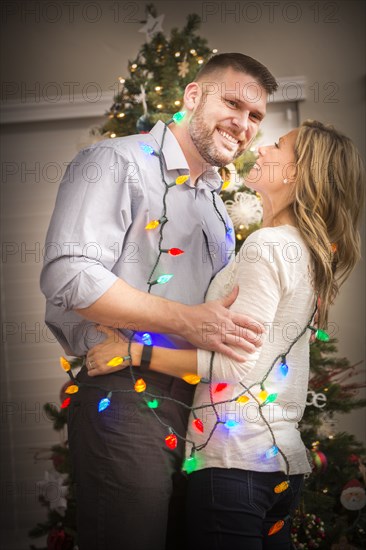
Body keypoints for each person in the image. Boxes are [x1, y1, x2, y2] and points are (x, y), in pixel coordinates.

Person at [87, 120, 365, 549]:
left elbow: (234, 365)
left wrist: (132, 353)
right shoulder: (303, 250)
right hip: (280, 465)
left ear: (298, 172)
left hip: (236, 464)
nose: (264, 147)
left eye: (280, 145)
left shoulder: (268, 245)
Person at [40, 53, 278, 549]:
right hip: (124, 395)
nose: (244, 123)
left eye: (256, 116)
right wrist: (190, 321)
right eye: (232, 103)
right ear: (193, 96)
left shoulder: (216, 203)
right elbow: (70, 274)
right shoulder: (115, 161)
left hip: (201, 405)